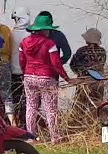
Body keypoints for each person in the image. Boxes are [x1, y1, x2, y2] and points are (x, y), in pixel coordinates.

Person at [19, 12, 71, 142]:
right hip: (47, 77)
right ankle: (55, 137)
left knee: (31, 107)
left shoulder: (24, 42)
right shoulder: (50, 44)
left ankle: (30, 137)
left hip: (29, 77)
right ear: (45, 30)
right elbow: (56, 64)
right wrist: (67, 78)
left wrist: (26, 73)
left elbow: (22, 61)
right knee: (50, 108)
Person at [70, 27, 108, 113]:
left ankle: (77, 120)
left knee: (79, 107)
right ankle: (95, 120)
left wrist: (80, 74)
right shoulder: (102, 51)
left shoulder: (82, 51)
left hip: (84, 83)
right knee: (96, 107)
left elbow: (73, 65)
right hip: (98, 83)